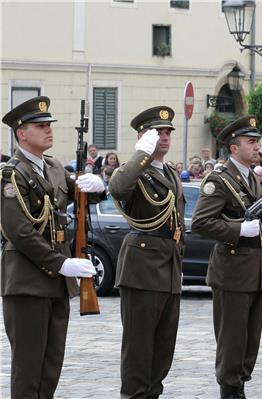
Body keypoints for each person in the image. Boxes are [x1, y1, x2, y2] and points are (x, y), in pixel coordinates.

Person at [1, 96, 105, 398]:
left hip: (57, 284)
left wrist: (98, 187)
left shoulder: (55, 167)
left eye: (49, 125)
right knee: (29, 368)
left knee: (50, 367)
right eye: (40, 125)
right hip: (27, 282)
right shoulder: (11, 174)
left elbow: (79, 193)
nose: (48, 130)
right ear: (22, 133)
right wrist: (61, 263)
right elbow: (18, 231)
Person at [191, 115, 262, 399]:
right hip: (231, 271)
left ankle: (239, 384)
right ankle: (230, 390)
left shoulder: (250, 178)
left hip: (254, 270)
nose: (257, 147)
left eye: (257, 141)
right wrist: (237, 230)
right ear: (234, 148)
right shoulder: (220, 180)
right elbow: (200, 222)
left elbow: (261, 220)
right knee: (232, 340)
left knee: (249, 340)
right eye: (250, 142)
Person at [108, 106, 185, 399]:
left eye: (167, 132)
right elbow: (117, 187)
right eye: (157, 132)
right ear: (142, 136)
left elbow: (177, 222)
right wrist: (142, 153)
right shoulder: (134, 170)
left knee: (163, 347)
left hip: (168, 266)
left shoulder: (170, 172)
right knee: (139, 348)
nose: (164, 137)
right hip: (142, 268)